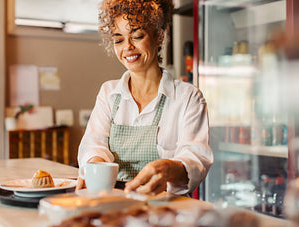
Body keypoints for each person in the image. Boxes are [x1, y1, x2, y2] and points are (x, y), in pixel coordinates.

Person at [76, 0, 213, 196]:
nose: (128, 47)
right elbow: (94, 144)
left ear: (159, 36)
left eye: (137, 36)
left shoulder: (187, 98)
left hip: (167, 208)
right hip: (117, 203)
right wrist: (95, 166)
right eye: (119, 40)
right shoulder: (109, 93)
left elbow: (196, 159)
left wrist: (168, 170)